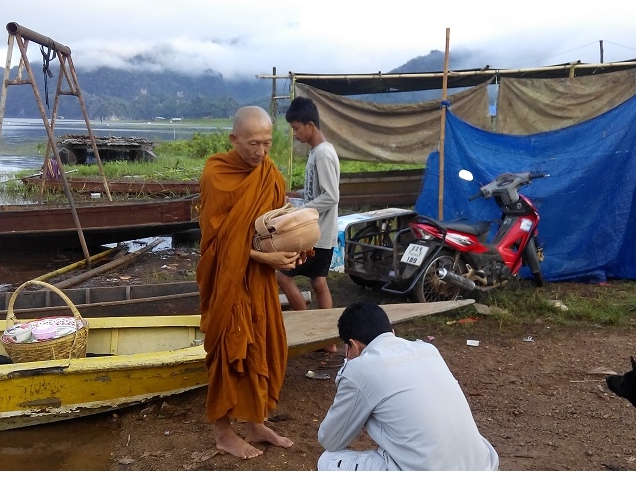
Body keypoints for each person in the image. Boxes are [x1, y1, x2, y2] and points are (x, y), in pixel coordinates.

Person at [196, 105, 300, 460]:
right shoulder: (216, 174)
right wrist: (265, 257)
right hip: (228, 280)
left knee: (263, 345)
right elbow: (218, 243)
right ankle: (224, 433)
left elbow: (276, 226)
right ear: (233, 139)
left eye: (267, 143)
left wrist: (292, 250)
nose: (260, 152)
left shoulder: (270, 173)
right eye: (252, 143)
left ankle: (256, 423)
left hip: (259, 282)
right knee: (231, 350)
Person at [317, 301, 500, 471]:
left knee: (328, 461)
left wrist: (347, 368)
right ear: (392, 332)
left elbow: (331, 440)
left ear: (352, 345)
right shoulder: (429, 350)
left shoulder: (360, 368)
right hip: (482, 467)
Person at [276, 96, 340, 325]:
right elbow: (316, 192)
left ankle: (309, 326)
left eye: (296, 128)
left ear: (310, 126)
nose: (295, 134)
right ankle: (328, 338)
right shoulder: (316, 152)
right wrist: (294, 198)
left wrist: (299, 210)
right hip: (320, 234)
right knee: (318, 282)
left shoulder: (323, 153)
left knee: (282, 277)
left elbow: (331, 196)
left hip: (318, 236)